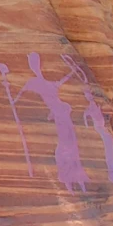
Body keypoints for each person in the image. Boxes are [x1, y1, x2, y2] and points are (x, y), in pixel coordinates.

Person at [16, 52, 89, 192]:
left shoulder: (35, 82)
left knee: (65, 148)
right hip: (60, 113)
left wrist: (14, 100)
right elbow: (20, 94)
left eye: (34, 63)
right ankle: (75, 181)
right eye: (33, 63)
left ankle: (72, 181)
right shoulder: (38, 82)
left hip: (60, 114)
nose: (34, 66)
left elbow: (20, 95)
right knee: (68, 147)